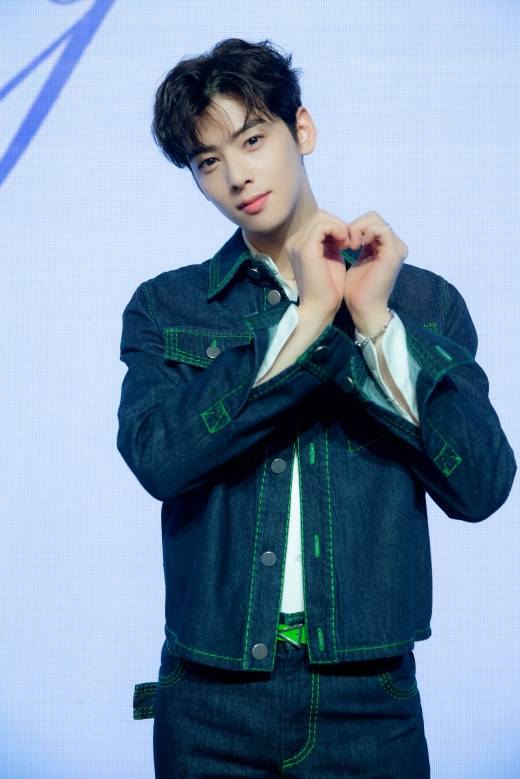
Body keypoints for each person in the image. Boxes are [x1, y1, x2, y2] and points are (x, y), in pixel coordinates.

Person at [116, 37, 516, 778]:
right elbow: (158, 460)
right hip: (209, 699)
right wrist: (304, 322)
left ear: (302, 129)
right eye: (208, 161)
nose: (237, 175)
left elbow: (483, 485)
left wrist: (375, 324)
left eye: (252, 140)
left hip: (368, 700)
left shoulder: (421, 300)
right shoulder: (167, 306)